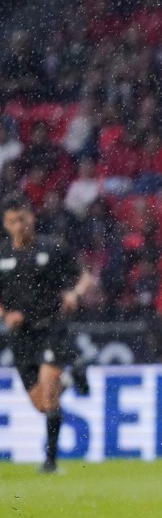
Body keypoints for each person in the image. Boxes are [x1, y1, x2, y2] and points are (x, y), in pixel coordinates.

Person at [0, 193, 95, 474]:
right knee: (41, 404)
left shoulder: (53, 248)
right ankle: (73, 371)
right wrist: (6, 315)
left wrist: (75, 294)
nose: (19, 225)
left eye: (23, 219)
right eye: (13, 221)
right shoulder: (2, 256)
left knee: (51, 396)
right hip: (21, 336)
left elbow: (84, 275)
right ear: (6, 225)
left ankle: (50, 462)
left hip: (52, 327)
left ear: (32, 217)